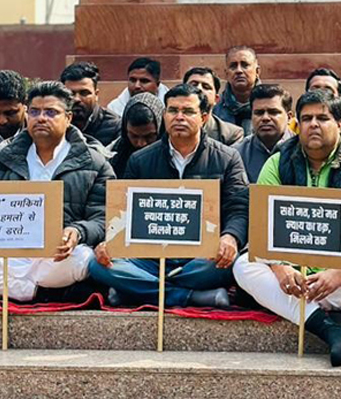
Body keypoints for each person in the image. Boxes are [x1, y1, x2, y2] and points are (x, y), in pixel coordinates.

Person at [234, 90, 341, 367]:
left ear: (339, 123)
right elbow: (263, 226)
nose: (313, 124)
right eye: (306, 118)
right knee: (243, 267)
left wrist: (340, 271)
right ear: (296, 125)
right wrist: (280, 267)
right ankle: (329, 328)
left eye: (322, 118)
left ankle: (296, 306)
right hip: (294, 266)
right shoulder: (278, 163)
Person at [0, 82, 114, 301]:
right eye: (35, 112)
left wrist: (77, 232)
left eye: (51, 112)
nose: (41, 118)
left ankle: (15, 289)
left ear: (68, 118)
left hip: (57, 256)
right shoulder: (2, 159)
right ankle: (35, 292)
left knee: (84, 257)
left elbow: (103, 217)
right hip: (6, 254)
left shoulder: (94, 164)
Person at [90, 84, 249, 308]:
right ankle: (189, 296)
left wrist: (230, 237)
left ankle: (137, 290)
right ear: (164, 116)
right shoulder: (140, 160)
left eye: (188, 111)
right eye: (173, 111)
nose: (179, 117)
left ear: (203, 118)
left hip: (201, 259)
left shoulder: (227, 158)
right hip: (150, 257)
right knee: (97, 264)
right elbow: (123, 214)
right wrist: (110, 241)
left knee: (235, 263)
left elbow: (239, 207)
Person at [234, 84, 294, 183]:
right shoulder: (237, 154)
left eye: (273, 112)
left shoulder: (305, 151)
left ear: (289, 117)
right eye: (259, 113)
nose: (265, 118)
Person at [61, 62, 121, 147]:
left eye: (84, 93)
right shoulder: (55, 123)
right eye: (71, 93)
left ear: (96, 95)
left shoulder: (115, 127)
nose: (76, 99)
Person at [109, 92, 165, 178]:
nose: (141, 143)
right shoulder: (113, 156)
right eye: (134, 136)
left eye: (149, 136)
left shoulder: (174, 158)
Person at [184, 66, 244, 146]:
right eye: (193, 85)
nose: (199, 89)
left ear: (216, 99)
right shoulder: (167, 126)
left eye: (206, 87)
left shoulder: (231, 135)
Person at [214, 46, 261, 134]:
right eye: (233, 66)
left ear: (257, 72)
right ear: (226, 74)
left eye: (245, 65)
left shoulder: (272, 105)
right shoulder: (215, 109)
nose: (239, 70)